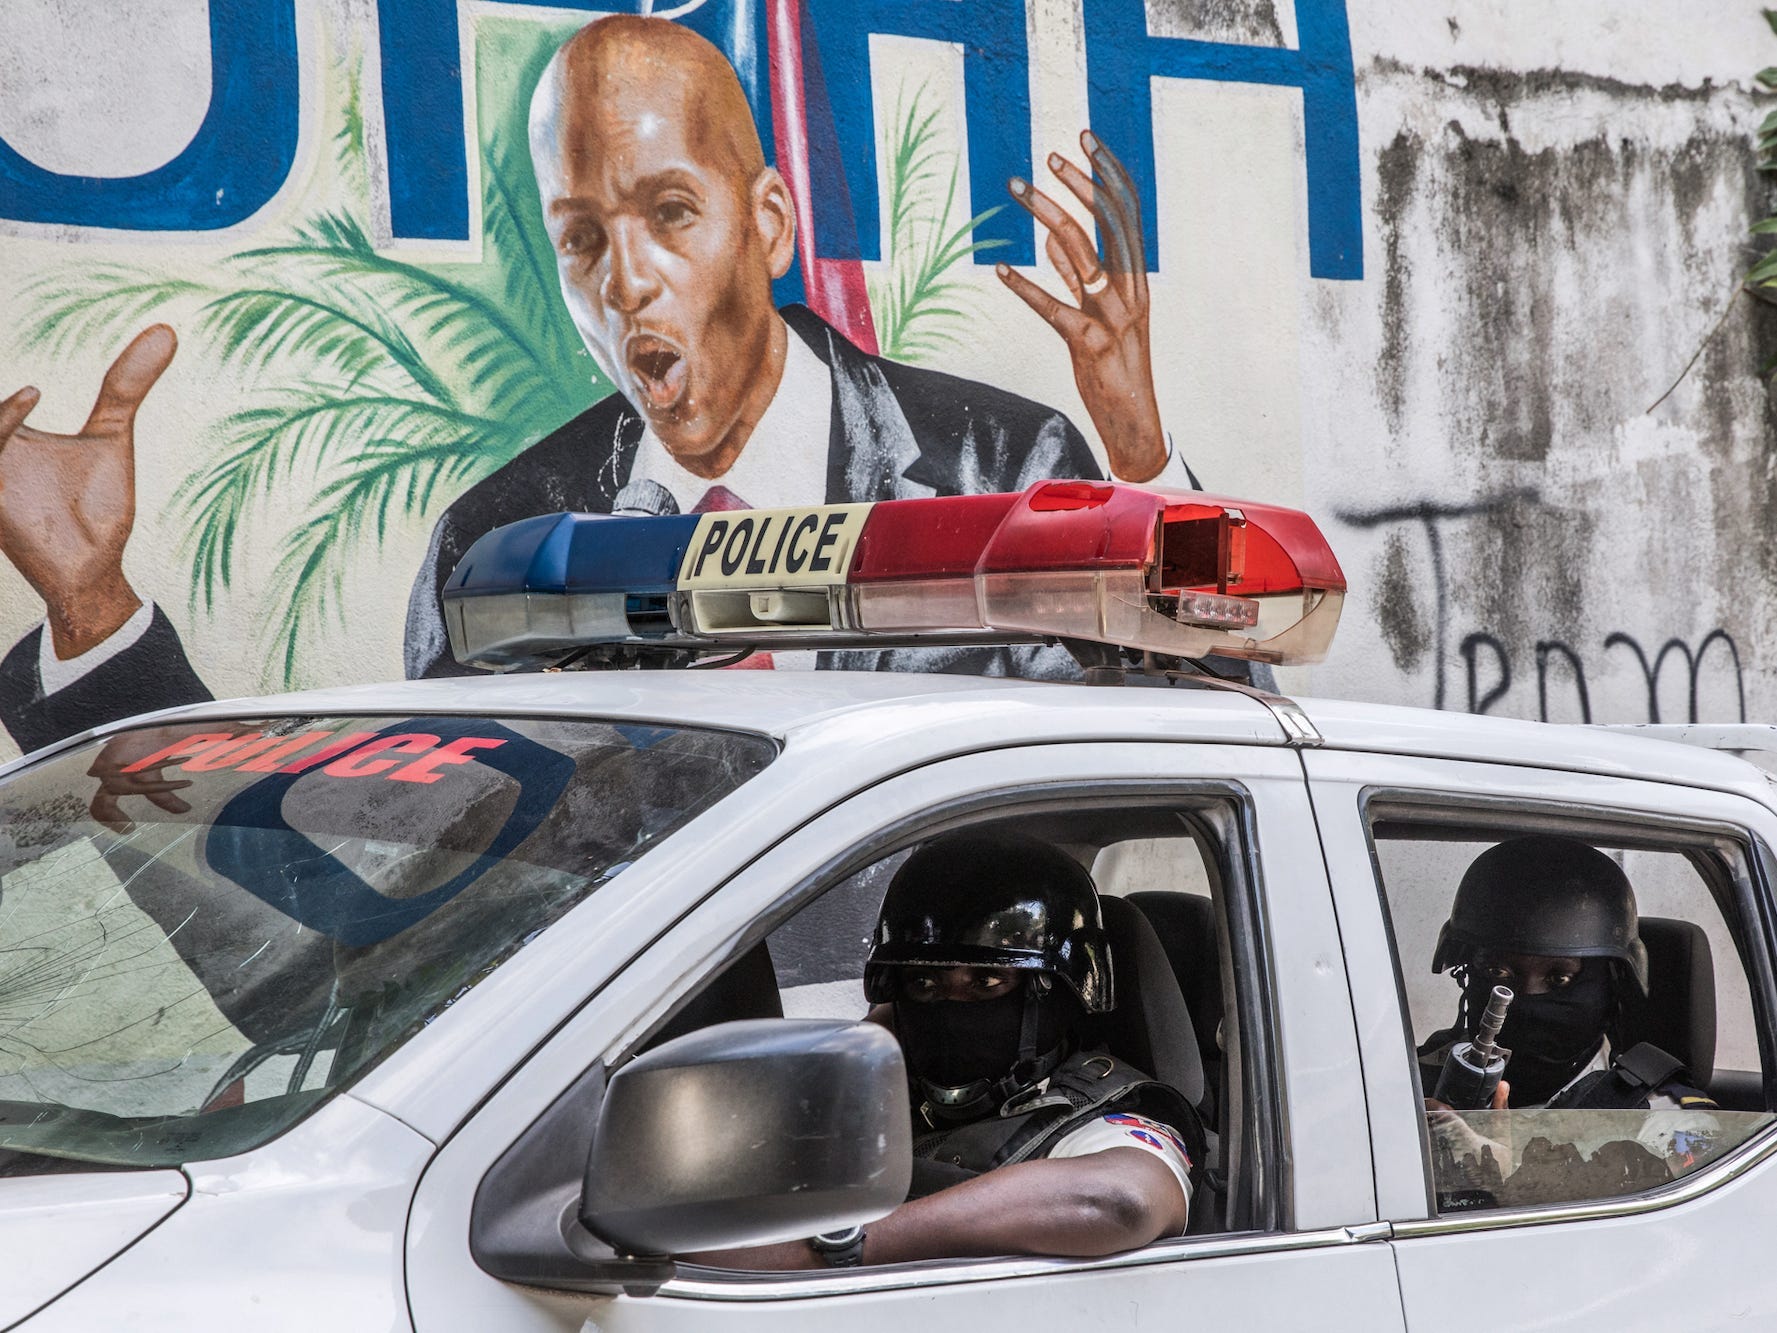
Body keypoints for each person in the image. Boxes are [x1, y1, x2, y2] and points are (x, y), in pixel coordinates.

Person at [0, 14, 1196, 753]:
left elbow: (1203, 749)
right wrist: (94, 609)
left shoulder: (1004, 468)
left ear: (767, 220)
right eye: (580, 239)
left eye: (670, 213)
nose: (625, 282)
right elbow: (405, 907)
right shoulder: (502, 541)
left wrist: (1138, 457)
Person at [694, 830, 1200, 1270]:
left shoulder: (1104, 1122)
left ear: (1057, 994)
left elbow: (1120, 1202)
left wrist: (830, 1251)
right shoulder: (884, 1086)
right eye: (924, 984)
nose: (951, 1008)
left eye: (987, 982)